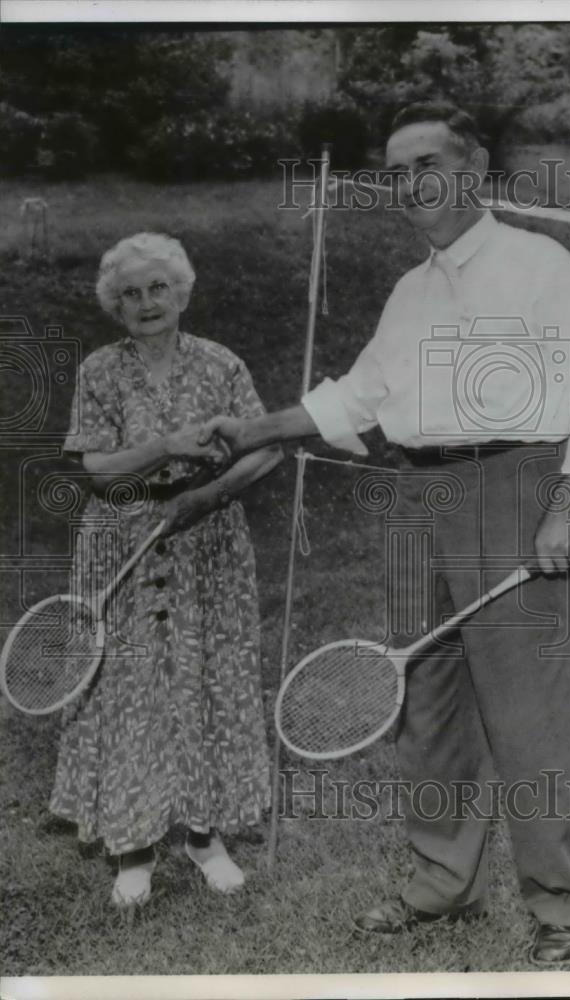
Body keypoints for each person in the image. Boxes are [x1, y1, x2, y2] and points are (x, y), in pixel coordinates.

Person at [201, 102, 570, 964]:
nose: (409, 186)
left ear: (473, 168)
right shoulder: (410, 289)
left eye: (426, 165)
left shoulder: (538, 264)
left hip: (518, 487)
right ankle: (443, 882)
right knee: (429, 705)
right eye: (396, 174)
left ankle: (566, 906)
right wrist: (254, 430)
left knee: (534, 713)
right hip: (421, 498)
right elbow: (360, 396)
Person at [50, 232, 282, 908]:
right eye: (131, 293)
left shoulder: (222, 365)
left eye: (158, 288)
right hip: (121, 537)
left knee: (207, 675)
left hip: (206, 539)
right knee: (128, 685)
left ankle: (204, 837)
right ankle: (132, 848)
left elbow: (264, 450)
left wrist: (210, 493)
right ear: (113, 305)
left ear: (181, 292)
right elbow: (92, 466)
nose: (147, 303)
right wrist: (163, 449)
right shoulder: (100, 371)